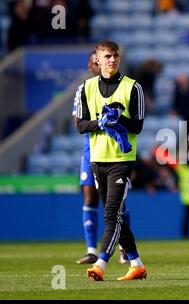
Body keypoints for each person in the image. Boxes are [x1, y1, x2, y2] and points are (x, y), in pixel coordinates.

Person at [76, 40, 146, 281]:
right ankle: (137, 264)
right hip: (97, 159)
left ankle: (100, 264)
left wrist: (119, 118)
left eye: (115, 56)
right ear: (98, 59)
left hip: (122, 159)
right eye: (107, 56)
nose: (112, 60)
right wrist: (101, 123)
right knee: (114, 215)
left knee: (110, 214)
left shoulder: (132, 87)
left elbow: (138, 125)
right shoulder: (86, 88)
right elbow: (81, 125)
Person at [73, 51, 130, 265]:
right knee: (89, 196)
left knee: (116, 203)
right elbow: (77, 122)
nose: (94, 65)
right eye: (93, 62)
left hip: (116, 152)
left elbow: (135, 121)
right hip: (92, 151)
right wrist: (102, 123)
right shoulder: (84, 89)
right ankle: (92, 250)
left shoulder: (124, 87)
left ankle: (125, 248)